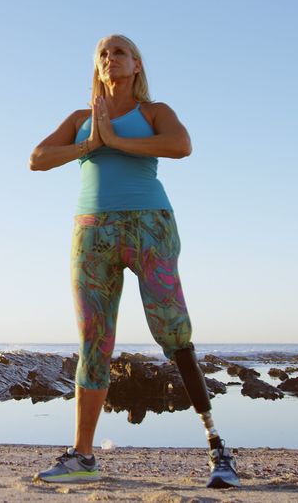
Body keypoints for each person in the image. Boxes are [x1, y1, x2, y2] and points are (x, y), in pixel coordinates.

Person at [28, 34, 240, 488]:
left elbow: (181, 145)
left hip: (150, 225)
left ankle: (218, 449)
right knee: (94, 338)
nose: (111, 58)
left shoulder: (153, 112)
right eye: (103, 54)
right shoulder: (80, 119)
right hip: (92, 230)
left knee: (172, 326)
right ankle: (83, 456)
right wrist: (89, 145)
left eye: (119, 51)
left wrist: (117, 142)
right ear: (97, 67)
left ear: (137, 64)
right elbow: (38, 158)